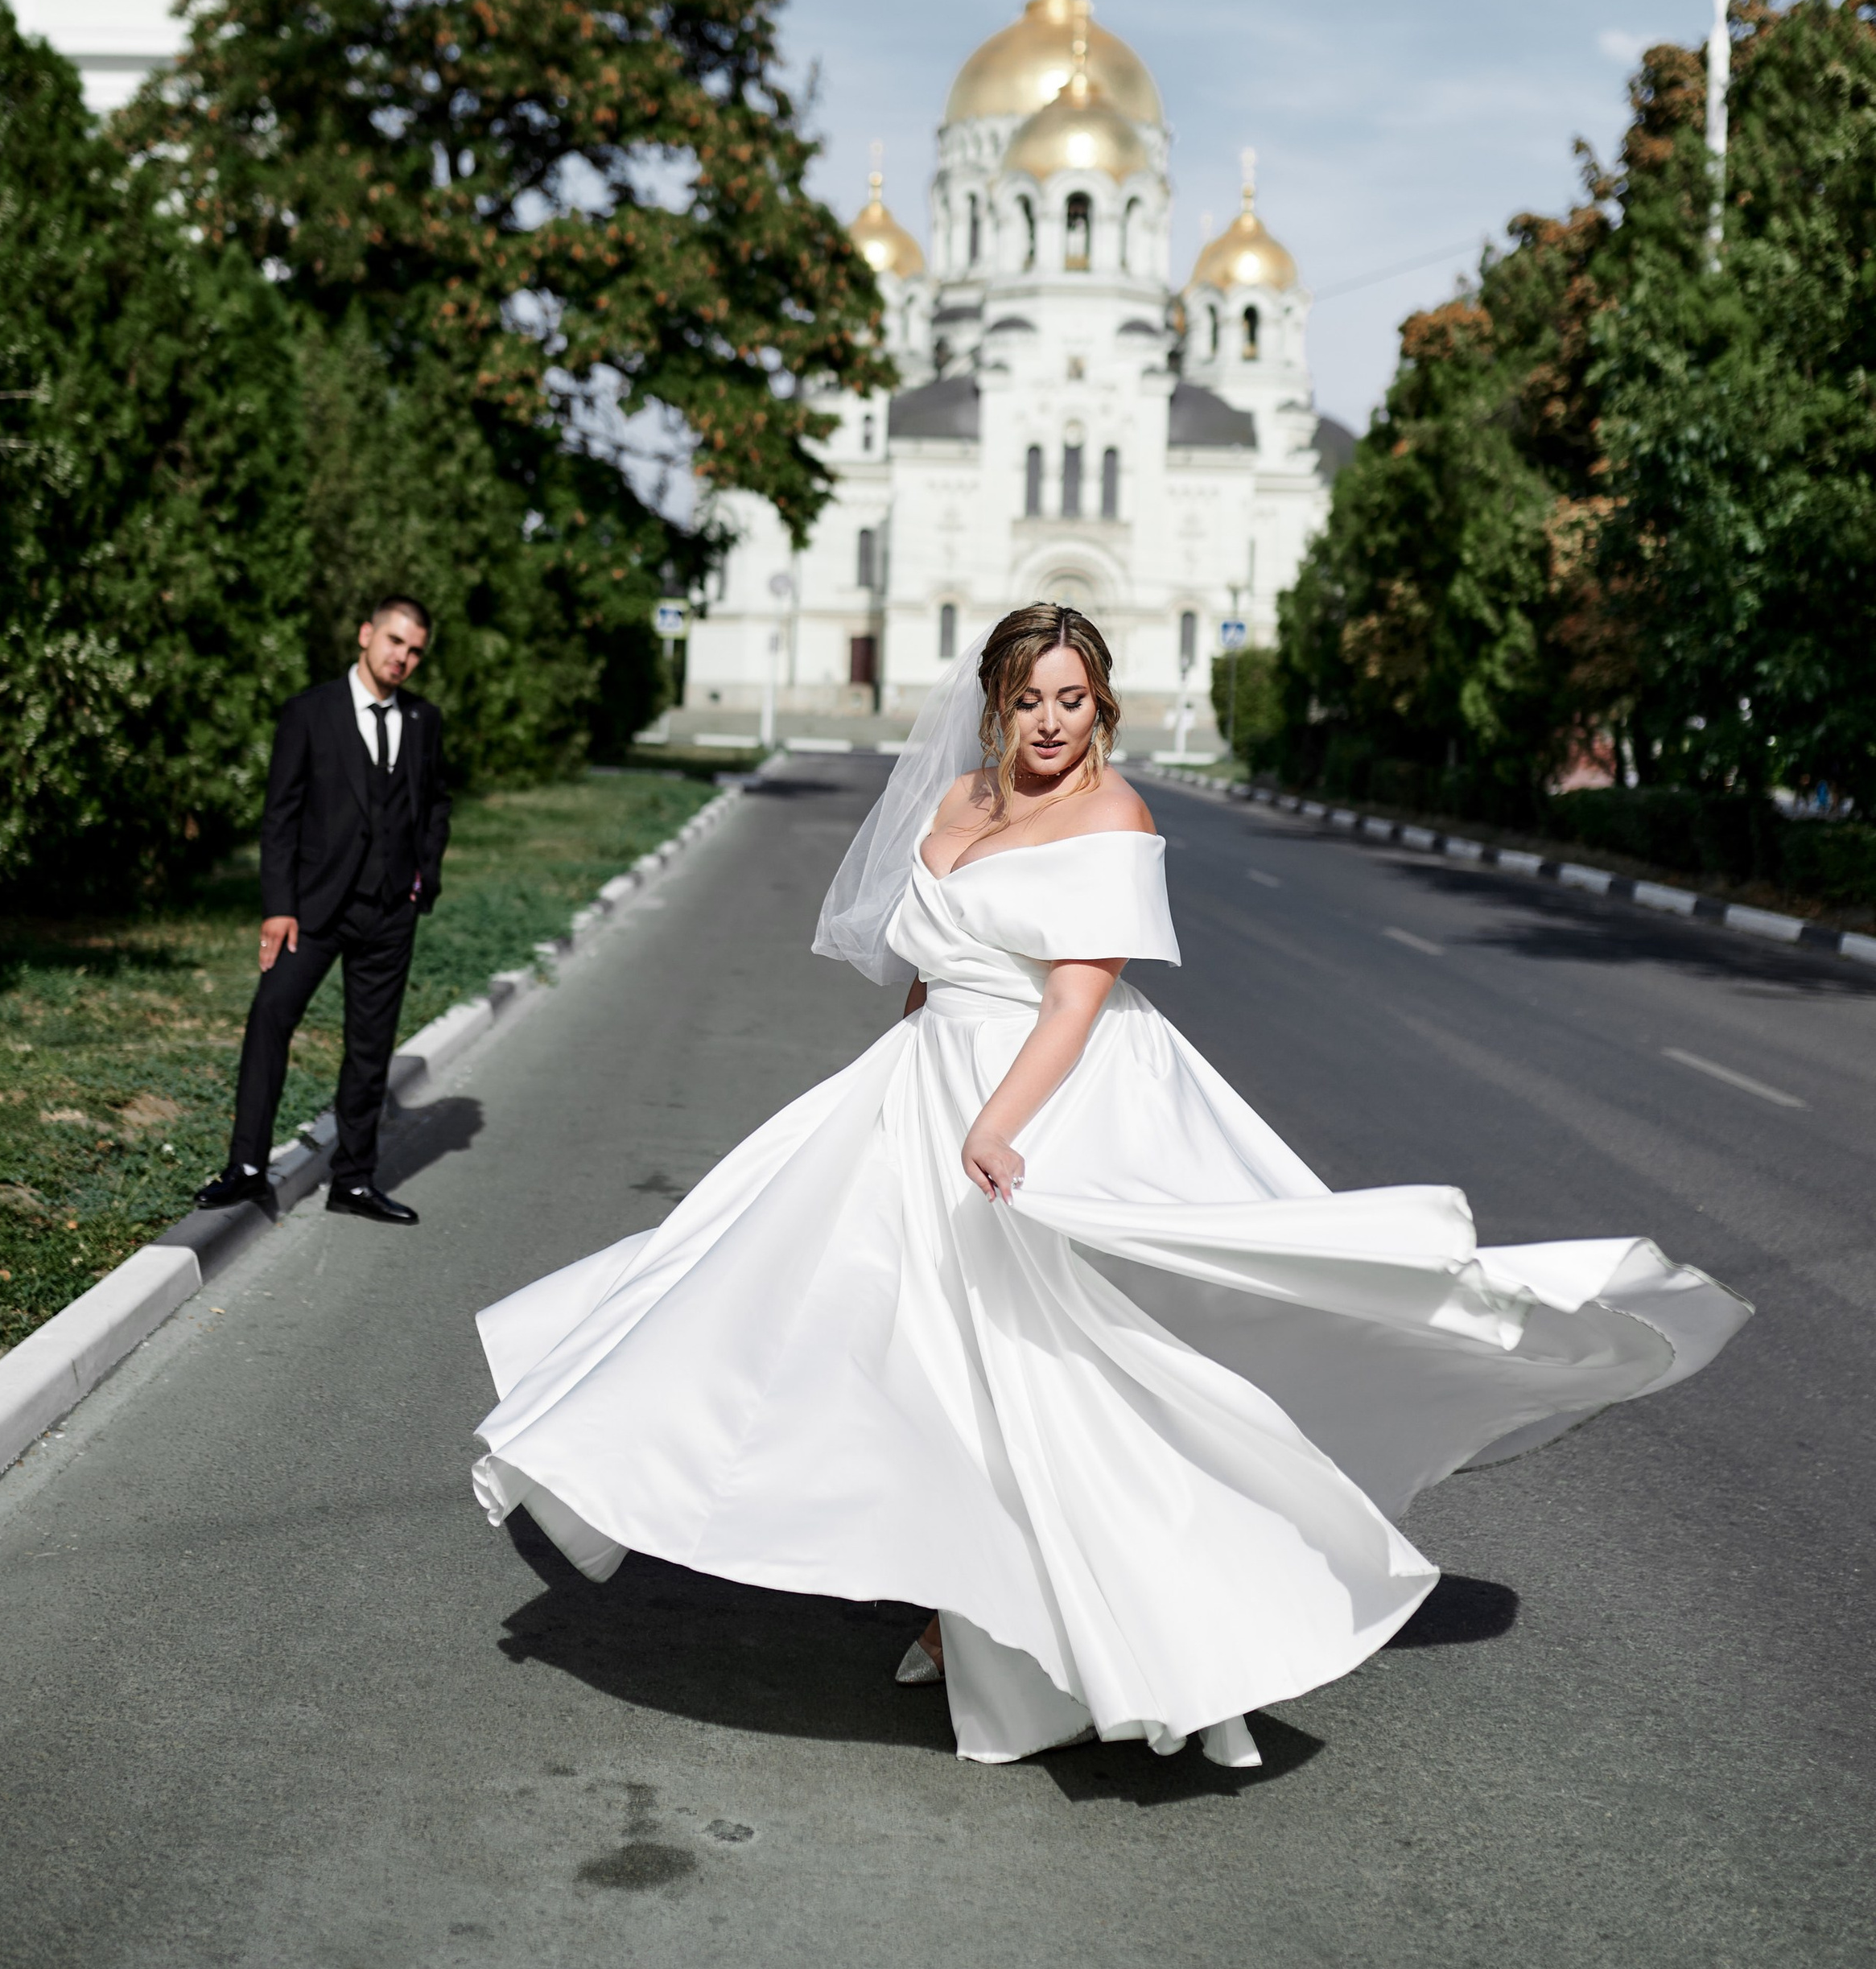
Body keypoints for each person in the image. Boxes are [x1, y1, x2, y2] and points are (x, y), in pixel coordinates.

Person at [471, 603, 1746, 1765]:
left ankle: (1091, 1624)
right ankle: (949, 1596)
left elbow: (1076, 997)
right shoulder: (957, 801)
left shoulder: (1113, 816)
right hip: (921, 1085)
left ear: (1104, 707)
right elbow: (927, 966)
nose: (1049, 721)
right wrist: (915, 1073)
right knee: (870, 1336)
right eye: (1029, 698)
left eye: (1072, 699)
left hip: (1046, 1100)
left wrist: (998, 1123)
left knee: (1054, 1364)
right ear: (997, 701)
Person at [196, 595, 451, 1228]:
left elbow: (436, 805)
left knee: (371, 1047)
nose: (403, 657)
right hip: (312, 910)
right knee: (271, 1017)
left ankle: (355, 1180)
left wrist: (425, 877)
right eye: (395, 640)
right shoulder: (309, 712)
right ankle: (247, 1167)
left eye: (415, 649)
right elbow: (280, 817)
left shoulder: (424, 720)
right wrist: (278, 908)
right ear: (365, 633)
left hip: (391, 909)